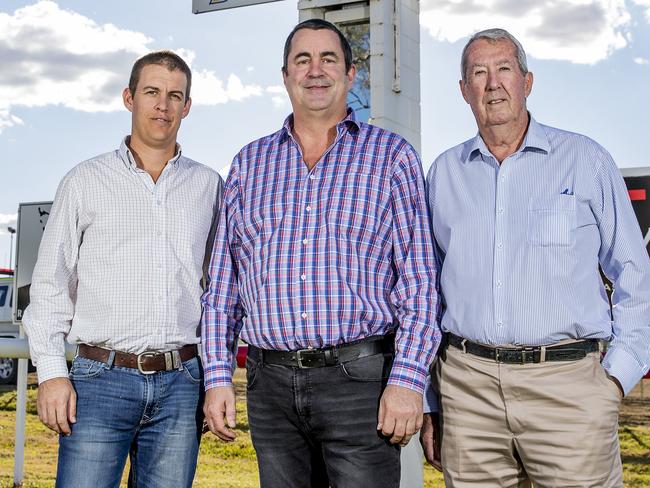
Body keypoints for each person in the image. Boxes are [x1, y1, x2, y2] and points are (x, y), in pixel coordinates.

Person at [201, 19, 440, 488]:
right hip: (270, 386)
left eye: (328, 59)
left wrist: (409, 380)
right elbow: (223, 287)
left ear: (351, 74)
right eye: (303, 60)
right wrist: (217, 375)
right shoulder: (249, 165)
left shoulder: (390, 157)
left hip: (361, 382)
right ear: (286, 75)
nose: (315, 70)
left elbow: (420, 282)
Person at [420, 28, 650, 487]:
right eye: (478, 73)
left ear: (527, 81)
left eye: (504, 68)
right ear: (464, 91)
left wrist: (614, 381)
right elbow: (426, 291)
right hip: (470, 392)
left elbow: (634, 274)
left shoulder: (584, 160)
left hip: (569, 391)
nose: (492, 84)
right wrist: (432, 400)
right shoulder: (444, 174)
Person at [23, 50, 223, 488]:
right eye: (152, 92)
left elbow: (220, 289)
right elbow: (51, 285)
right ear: (129, 97)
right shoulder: (84, 181)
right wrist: (53, 374)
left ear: (187, 107)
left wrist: (215, 377)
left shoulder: (209, 186)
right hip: (99, 381)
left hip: (181, 381)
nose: (162, 105)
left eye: (175, 96)